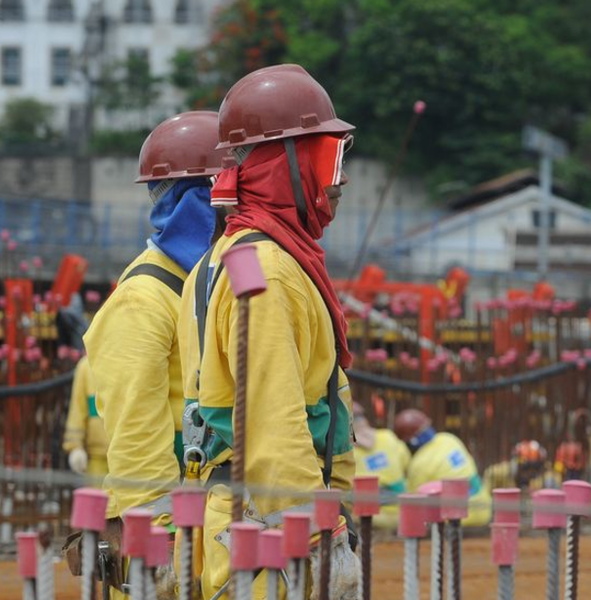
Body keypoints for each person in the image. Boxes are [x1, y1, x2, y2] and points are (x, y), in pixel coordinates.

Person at [179, 64, 361, 599]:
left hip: (249, 523)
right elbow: (271, 416)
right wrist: (320, 537)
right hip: (271, 538)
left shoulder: (229, 257)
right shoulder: (268, 272)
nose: (340, 178)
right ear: (290, 164)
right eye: (330, 158)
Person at [80, 110, 230, 599]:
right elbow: (135, 426)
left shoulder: (208, 283)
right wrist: (160, 532)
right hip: (171, 533)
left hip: (209, 517)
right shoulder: (144, 296)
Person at [393, 408, 491, 526]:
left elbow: (413, 504)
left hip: (457, 518)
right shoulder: (448, 438)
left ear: (410, 443)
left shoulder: (419, 464)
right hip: (484, 509)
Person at [351, 401, 410, 529]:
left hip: (368, 519)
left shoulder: (344, 450)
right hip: (402, 514)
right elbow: (406, 465)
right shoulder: (388, 436)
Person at [63, 356, 107, 478]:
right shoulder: (85, 367)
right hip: (96, 458)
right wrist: (75, 447)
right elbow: (77, 410)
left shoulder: (131, 361)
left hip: (128, 458)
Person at [483, 440, 561, 492]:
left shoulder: (546, 478)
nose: (528, 473)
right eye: (525, 468)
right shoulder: (502, 472)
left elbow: (555, 478)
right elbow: (489, 474)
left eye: (533, 468)